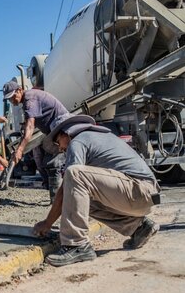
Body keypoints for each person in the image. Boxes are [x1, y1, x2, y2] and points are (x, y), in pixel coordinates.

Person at [33, 113, 160, 267]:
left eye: (57, 141)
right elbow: (72, 195)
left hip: (138, 190)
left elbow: (67, 184)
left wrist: (47, 223)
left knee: (74, 174)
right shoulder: (100, 136)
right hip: (144, 195)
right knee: (82, 200)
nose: (59, 148)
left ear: (66, 133)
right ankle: (139, 227)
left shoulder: (78, 142)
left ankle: (77, 245)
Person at [2, 80, 68, 200]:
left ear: (20, 90)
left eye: (13, 96)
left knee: (54, 164)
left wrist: (20, 149)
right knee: (45, 162)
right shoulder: (28, 99)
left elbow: (31, 126)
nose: (12, 100)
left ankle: (58, 202)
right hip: (54, 131)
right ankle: (55, 198)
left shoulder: (30, 99)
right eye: (9, 99)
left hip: (62, 130)